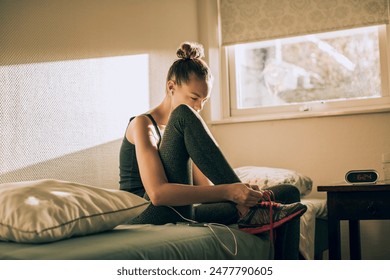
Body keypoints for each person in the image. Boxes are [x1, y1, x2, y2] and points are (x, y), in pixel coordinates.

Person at [119, 41, 307, 259]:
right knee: (183, 115)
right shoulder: (143, 124)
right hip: (145, 212)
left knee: (288, 194)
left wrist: (243, 192)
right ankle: (251, 212)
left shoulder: (180, 134)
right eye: (194, 98)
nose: (199, 107)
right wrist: (231, 191)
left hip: (183, 209)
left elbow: (204, 188)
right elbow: (158, 194)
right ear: (171, 87)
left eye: (205, 100)